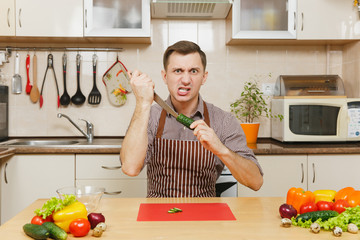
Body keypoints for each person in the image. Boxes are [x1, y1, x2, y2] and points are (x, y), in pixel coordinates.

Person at [120, 40, 263, 198]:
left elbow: (255, 182)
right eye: (178, 71)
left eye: (193, 71)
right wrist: (142, 103)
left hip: (205, 215)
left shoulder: (224, 121)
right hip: (158, 215)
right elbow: (130, 168)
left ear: (204, 77)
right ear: (165, 76)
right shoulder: (149, 115)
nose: (186, 80)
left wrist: (221, 149)